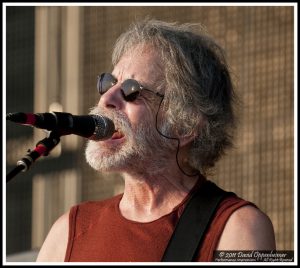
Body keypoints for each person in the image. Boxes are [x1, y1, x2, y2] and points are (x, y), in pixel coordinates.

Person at [36, 19, 276, 262]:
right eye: (108, 83)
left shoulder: (240, 228)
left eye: (131, 90)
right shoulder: (67, 231)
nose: (106, 98)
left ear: (185, 124)